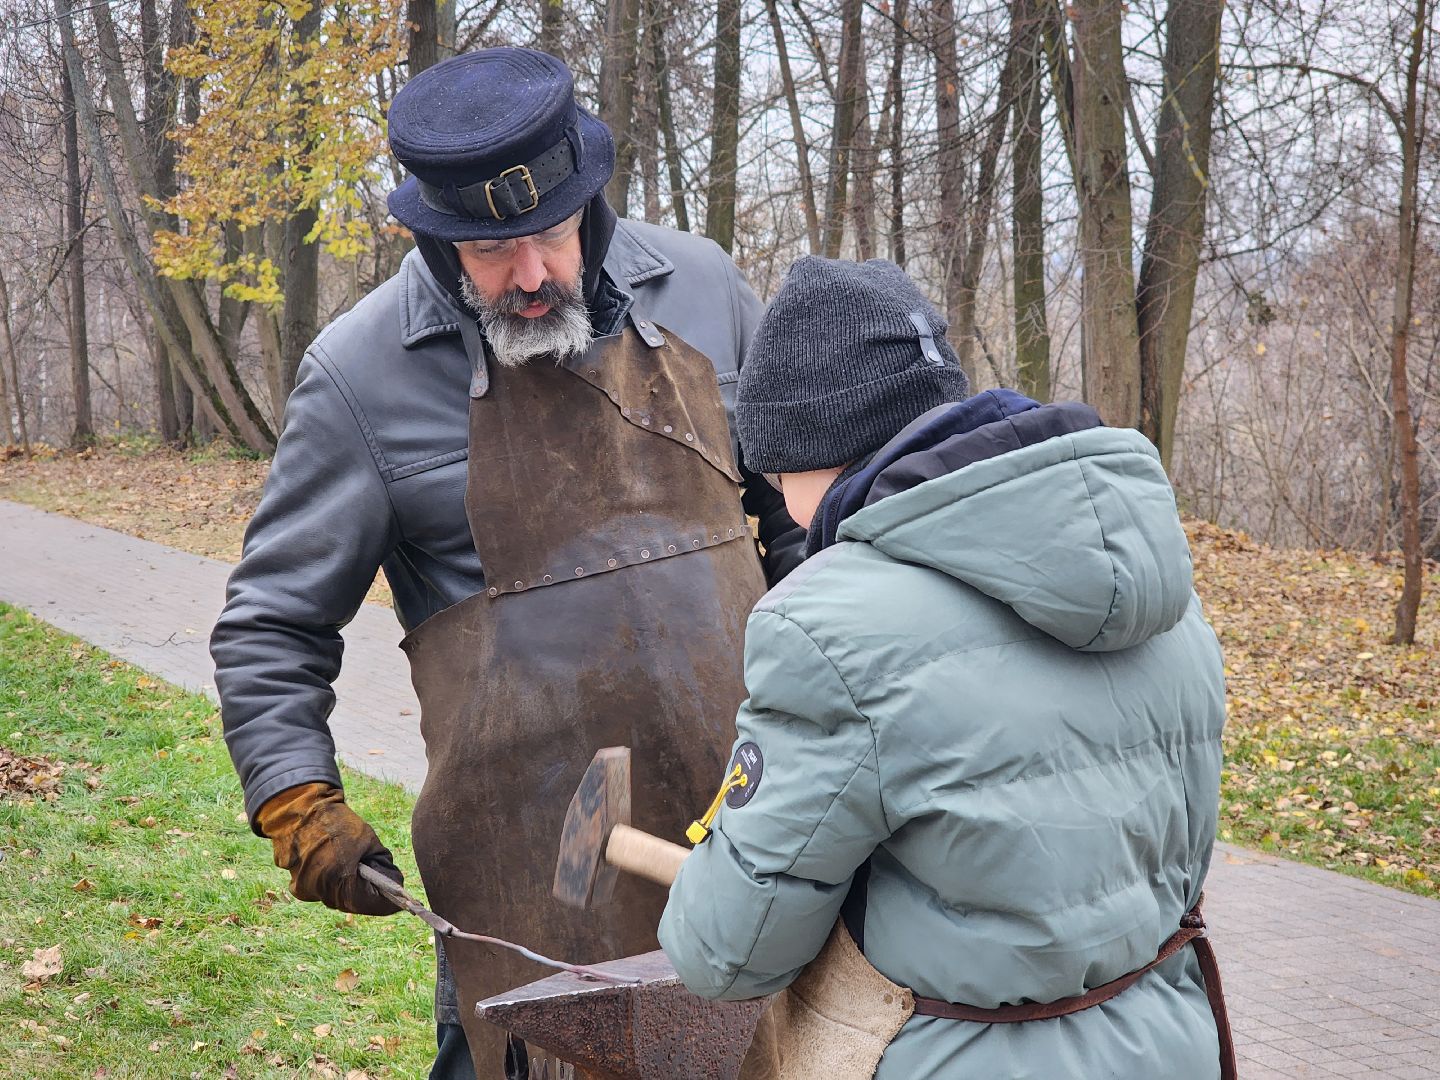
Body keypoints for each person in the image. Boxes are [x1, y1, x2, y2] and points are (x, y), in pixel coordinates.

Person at [210, 48, 802, 1079]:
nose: (531, 277)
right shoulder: (359, 378)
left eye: (551, 234)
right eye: (490, 250)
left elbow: (798, 531)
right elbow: (272, 623)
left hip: (748, 844)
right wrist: (294, 794)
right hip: (529, 894)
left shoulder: (703, 289)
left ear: (591, 195)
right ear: (432, 232)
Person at [658, 257, 1233, 1079]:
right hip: (1169, 1042)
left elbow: (729, 955)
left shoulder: (828, 624)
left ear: (813, 454)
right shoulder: (1160, 580)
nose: (785, 507)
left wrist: (716, 885)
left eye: (778, 476)